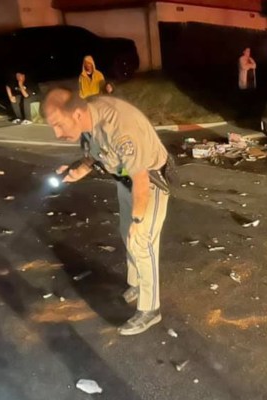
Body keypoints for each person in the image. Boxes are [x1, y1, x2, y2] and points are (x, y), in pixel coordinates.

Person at [42, 87, 173, 336]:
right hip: (125, 180)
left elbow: (141, 179)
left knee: (141, 241)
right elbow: (96, 154)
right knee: (127, 234)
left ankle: (150, 309)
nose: (56, 133)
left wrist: (138, 218)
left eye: (59, 125)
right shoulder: (90, 118)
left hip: (150, 184)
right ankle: (136, 284)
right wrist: (76, 171)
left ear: (77, 114)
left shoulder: (120, 128)